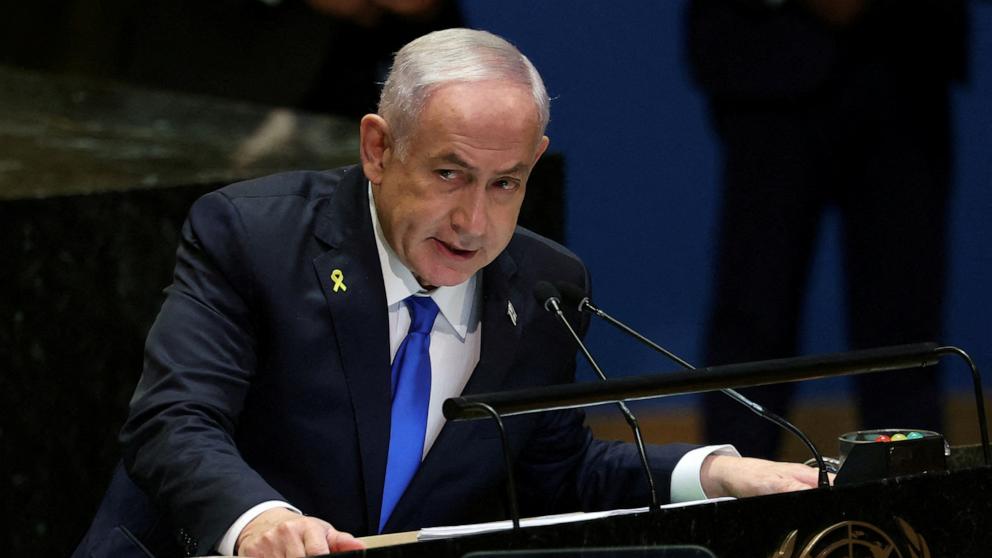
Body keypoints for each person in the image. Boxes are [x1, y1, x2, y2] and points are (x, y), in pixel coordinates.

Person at [74, 29, 820, 558]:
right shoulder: (254, 238)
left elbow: (556, 473)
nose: (475, 221)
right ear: (378, 147)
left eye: (506, 184)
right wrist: (259, 518)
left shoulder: (546, 289)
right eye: (449, 174)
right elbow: (173, 422)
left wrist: (716, 473)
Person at [686, 0, 967, 458]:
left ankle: (912, 503)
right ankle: (731, 503)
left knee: (905, 326)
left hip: (906, 61)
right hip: (767, 61)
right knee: (753, 313)